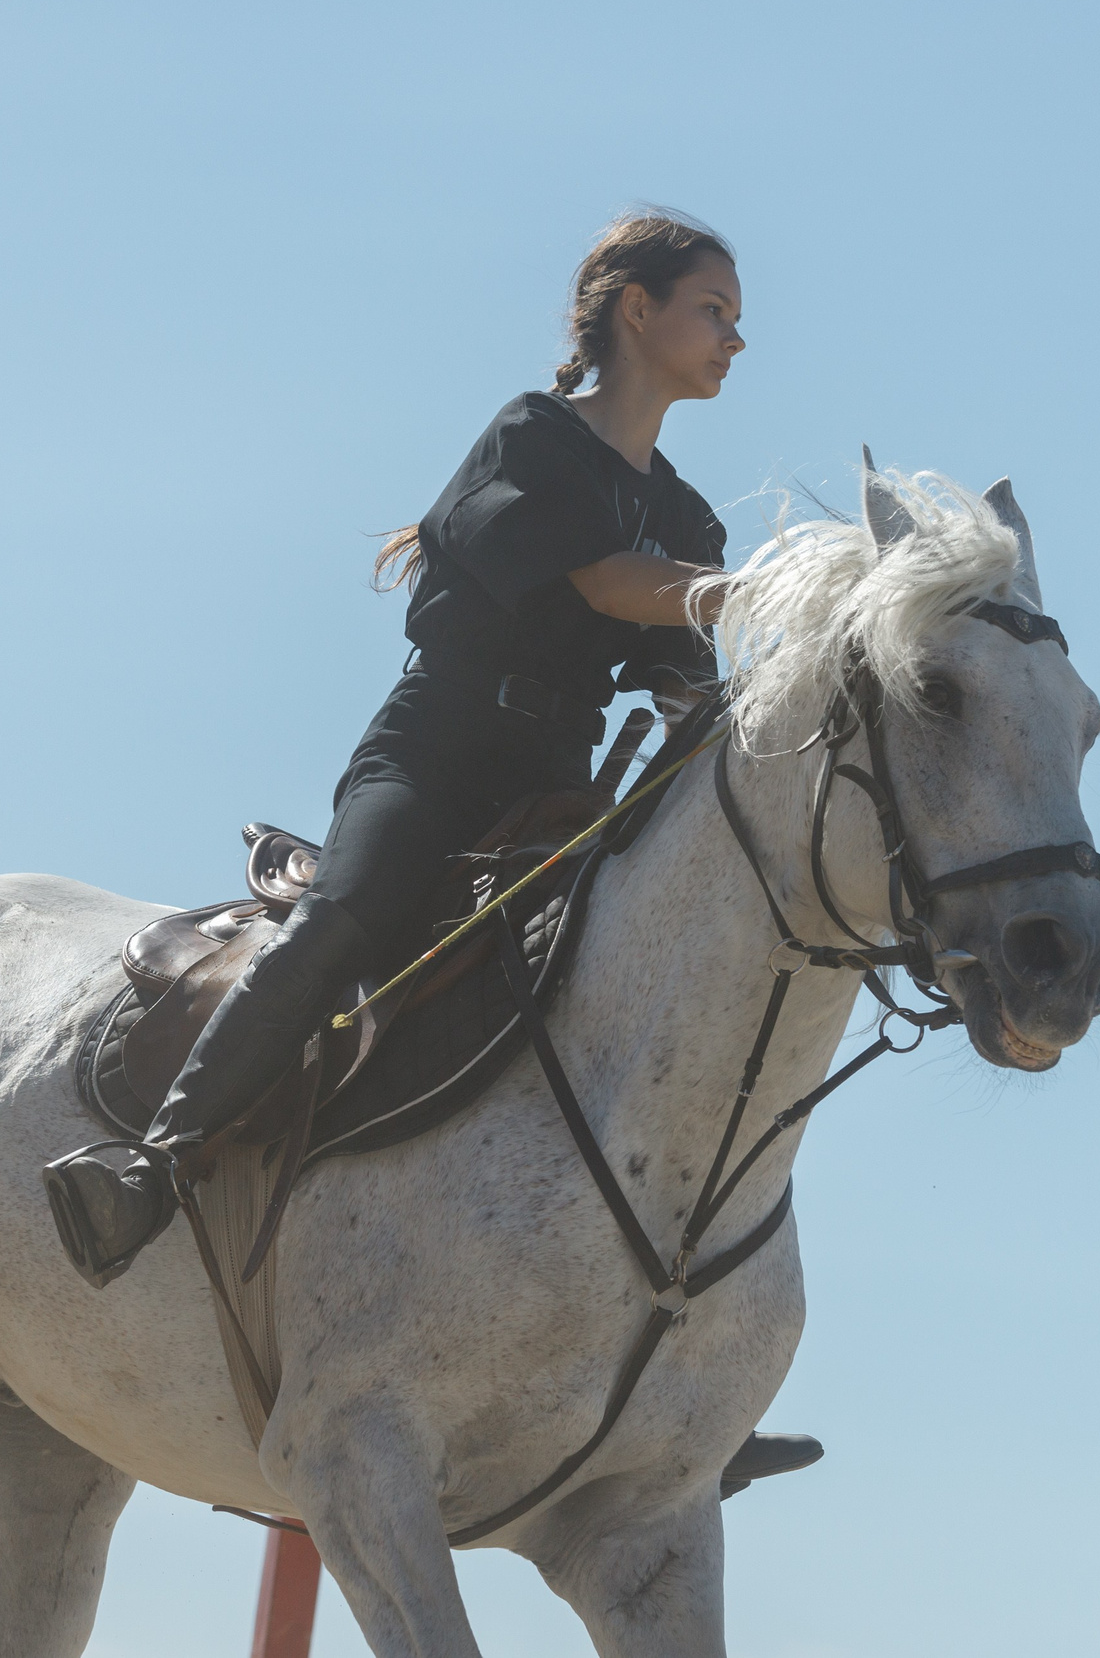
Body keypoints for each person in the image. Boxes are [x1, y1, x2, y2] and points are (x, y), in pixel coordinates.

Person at [43, 210, 746, 1288]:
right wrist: (784, 589)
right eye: (714, 310)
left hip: (558, 782)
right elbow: (610, 585)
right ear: (638, 310)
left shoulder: (688, 520)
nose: (735, 338)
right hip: (438, 746)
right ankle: (153, 1165)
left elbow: (683, 683)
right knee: (347, 917)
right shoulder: (532, 435)